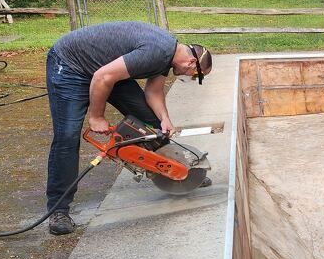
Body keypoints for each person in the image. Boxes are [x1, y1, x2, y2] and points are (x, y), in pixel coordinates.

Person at [44, 21, 213, 235]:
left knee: (149, 121)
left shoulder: (168, 53)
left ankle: (179, 173)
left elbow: (153, 92)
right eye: (196, 76)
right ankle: (58, 210)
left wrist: (164, 119)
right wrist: (97, 116)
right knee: (67, 137)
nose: (190, 78)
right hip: (70, 66)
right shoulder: (157, 52)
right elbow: (103, 77)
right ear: (191, 62)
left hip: (104, 68)